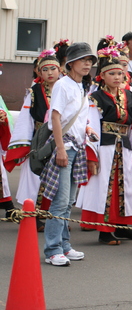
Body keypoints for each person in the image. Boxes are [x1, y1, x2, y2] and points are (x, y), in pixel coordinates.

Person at [76, 50, 132, 245]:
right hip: (105, 147)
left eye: (120, 73)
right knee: (105, 187)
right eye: (112, 74)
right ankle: (104, 230)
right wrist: (92, 157)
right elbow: (91, 127)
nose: (117, 77)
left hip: (125, 147)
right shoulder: (96, 99)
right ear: (102, 76)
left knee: (126, 186)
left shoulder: (130, 96)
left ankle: (122, 226)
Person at [41, 42, 97, 266]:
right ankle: (52, 249)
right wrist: (61, 149)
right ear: (70, 63)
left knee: (69, 201)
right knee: (60, 200)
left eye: (90, 60)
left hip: (77, 146)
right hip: (65, 146)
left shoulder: (82, 85)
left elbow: (74, 117)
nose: (88, 64)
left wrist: (87, 129)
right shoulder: (63, 85)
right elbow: (55, 118)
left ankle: (64, 245)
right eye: (83, 60)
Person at [6, 50, 62, 231]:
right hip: (39, 139)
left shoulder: (66, 89)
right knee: (35, 178)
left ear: (60, 70)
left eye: (53, 68)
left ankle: (54, 217)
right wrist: (26, 144)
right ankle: (33, 215)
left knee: (58, 180)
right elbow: (25, 119)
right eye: (45, 70)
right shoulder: (34, 92)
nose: (50, 73)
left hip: (60, 138)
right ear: (39, 73)